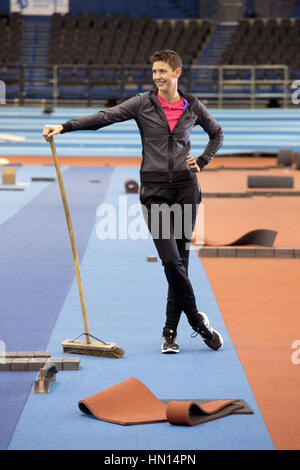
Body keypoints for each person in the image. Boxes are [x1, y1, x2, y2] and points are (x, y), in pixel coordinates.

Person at [43, 49, 224, 354]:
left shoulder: (192, 105)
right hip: (154, 191)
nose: (157, 76)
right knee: (170, 260)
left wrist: (203, 160)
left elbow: (217, 134)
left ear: (177, 73)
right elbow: (105, 117)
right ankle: (197, 321)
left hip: (185, 189)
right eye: (154, 71)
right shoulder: (143, 103)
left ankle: (169, 332)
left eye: (163, 71)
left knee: (180, 263)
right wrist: (65, 126)